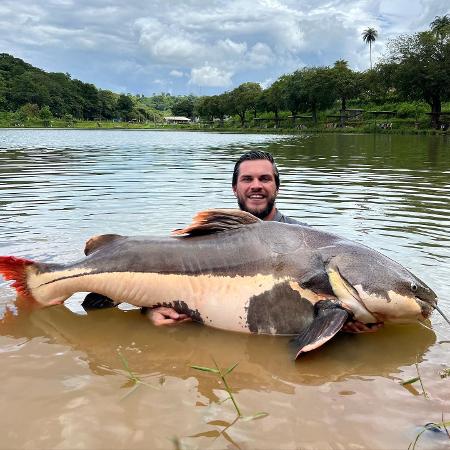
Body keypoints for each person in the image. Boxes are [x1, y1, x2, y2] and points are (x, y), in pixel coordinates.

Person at [83, 151, 380, 333]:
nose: (256, 186)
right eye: (247, 179)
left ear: (276, 186)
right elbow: (158, 277)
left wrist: (347, 324)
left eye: (265, 179)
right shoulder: (206, 236)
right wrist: (148, 309)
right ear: (235, 187)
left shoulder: (307, 239)